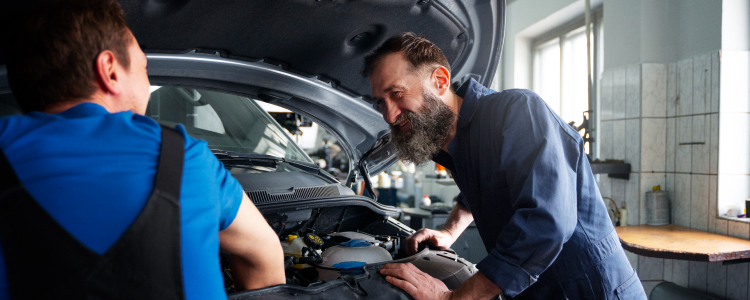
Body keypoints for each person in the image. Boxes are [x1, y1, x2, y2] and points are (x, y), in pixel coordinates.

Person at [0, 0, 285, 299]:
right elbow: (264, 255)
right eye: (143, 67)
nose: (147, 82)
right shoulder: (184, 157)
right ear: (110, 70)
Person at [363, 33, 647, 300]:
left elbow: (547, 222)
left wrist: (453, 297)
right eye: (380, 102)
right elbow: (480, 190)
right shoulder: (449, 142)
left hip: (591, 287)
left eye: (397, 93)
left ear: (440, 80)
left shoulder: (518, 112)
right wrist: (450, 232)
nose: (389, 115)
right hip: (533, 288)